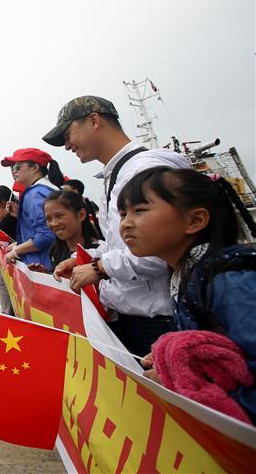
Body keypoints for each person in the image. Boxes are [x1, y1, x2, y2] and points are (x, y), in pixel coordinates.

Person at [42, 95, 190, 357]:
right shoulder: (118, 174)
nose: (66, 145)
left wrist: (99, 268)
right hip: (134, 317)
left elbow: (160, 250)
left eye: (68, 134)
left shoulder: (144, 170)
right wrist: (83, 259)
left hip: (158, 321)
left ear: (94, 120)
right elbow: (119, 245)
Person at [116, 167, 256, 420]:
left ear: (195, 221)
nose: (125, 223)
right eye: (123, 213)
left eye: (140, 210)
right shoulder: (187, 275)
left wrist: (178, 381)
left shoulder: (230, 282)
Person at [1, 148, 62, 270]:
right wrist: (21, 215)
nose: (13, 171)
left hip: (42, 267)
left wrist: (16, 251)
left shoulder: (35, 194)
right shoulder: (47, 189)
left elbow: (46, 235)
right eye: (11, 168)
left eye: (17, 166)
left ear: (35, 168)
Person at [40, 191, 100, 270]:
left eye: (59, 216)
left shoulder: (99, 251)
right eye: (48, 219)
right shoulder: (55, 250)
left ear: (81, 215)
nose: (54, 224)